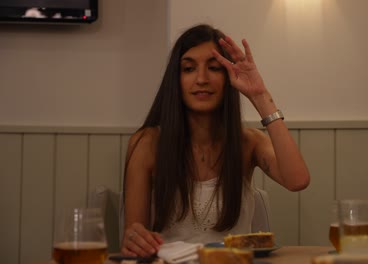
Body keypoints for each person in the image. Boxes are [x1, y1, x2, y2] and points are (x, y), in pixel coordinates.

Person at [121, 24, 310, 257]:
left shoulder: (248, 142)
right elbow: (133, 236)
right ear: (176, 80)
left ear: (228, 77)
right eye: (189, 69)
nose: (201, 79)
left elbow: (298, 180)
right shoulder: (147, 143)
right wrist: (134, 238)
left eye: (213, 68)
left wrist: (259, 95)